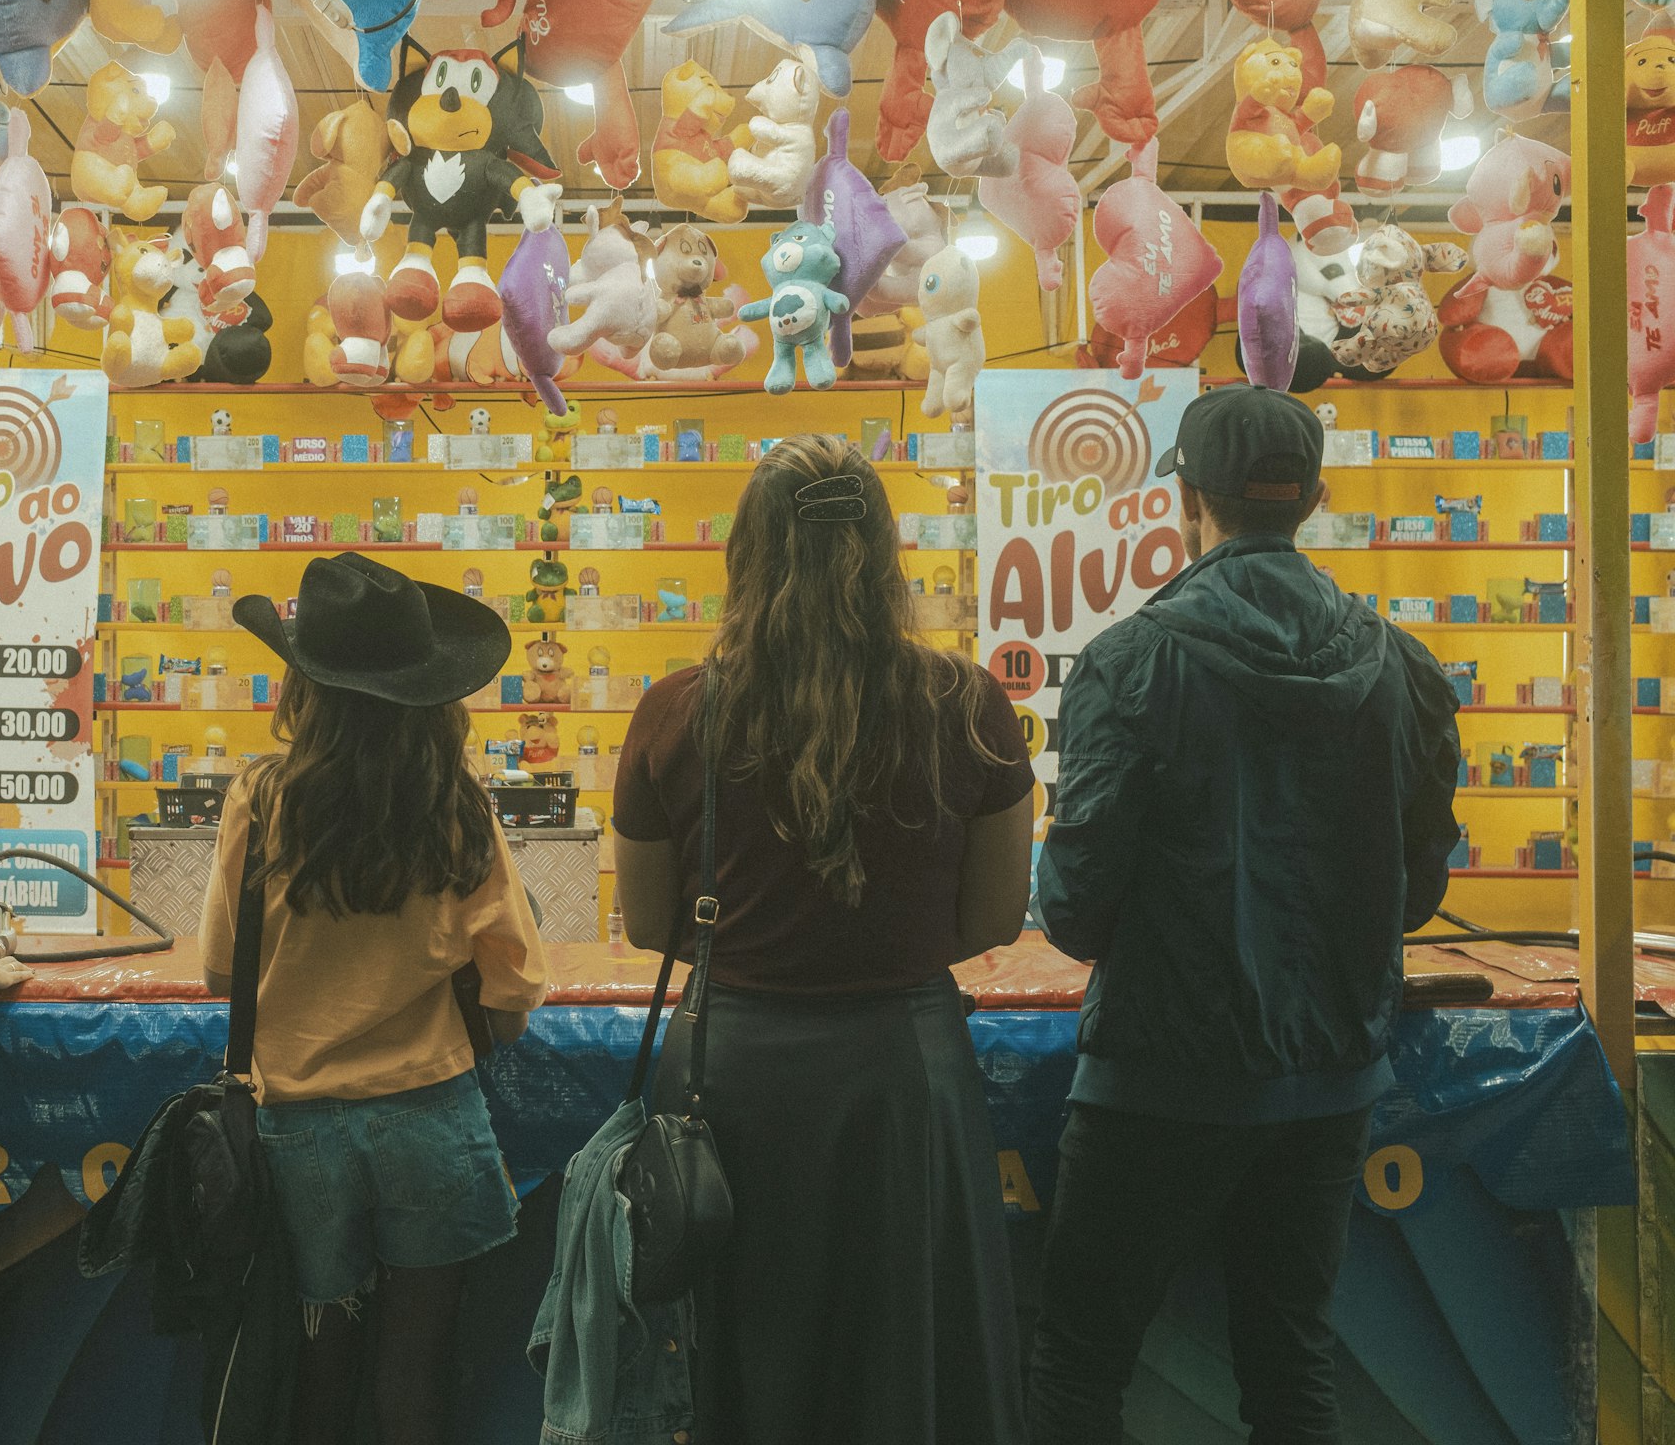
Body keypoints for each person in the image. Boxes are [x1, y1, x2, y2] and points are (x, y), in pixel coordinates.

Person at [1025, 386, 1463, 1445]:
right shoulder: (1401, 666)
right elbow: (1419, 893)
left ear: (1187, 499)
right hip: (1330, 1081)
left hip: (1157, 1078)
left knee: (1077, 1372)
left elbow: (1074, 911)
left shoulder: (1129, 661)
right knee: (1291, 1367)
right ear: (1313, 499)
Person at [611, 433, 1035, 1443]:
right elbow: (993, 918)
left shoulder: (675, 712)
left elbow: (651, 923)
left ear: (745, 554)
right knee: (902, 1347)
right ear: (885, 553)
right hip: (901, 1072)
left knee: (744, 1347)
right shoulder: (968, 705)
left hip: (731, 1077)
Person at [204, 552, 551, 1445]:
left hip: (298, 1124)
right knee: (416, 1366)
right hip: (430, 1116)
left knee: (321, 1358)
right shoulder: (457, 808)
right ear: (432, 697)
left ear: (302, 687)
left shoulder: (260, 799)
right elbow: (514, 992)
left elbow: (220, 973)